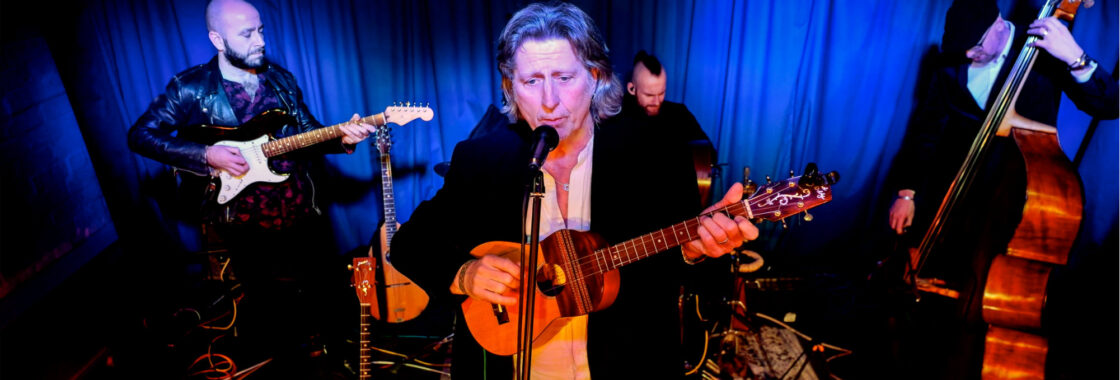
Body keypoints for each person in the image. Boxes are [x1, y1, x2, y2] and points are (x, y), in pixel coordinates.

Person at [391, 2, 758, 379]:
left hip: (627, 364)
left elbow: (681, 274)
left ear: (596, 77)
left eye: (564, 78)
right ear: (510, 88)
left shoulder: (655, 152)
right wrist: (465, 274)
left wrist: (697, 250)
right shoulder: (480, 160)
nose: (549, 101)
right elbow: (407, 245)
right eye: (531, 81)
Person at [127, 0, 376, 373]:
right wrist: (206, 154)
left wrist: (344, 138)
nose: (259, 40)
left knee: (328, 295)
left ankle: (339, 360)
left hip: (302, 208)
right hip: (245, 221)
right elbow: (140, 136)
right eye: (247, 34)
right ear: (216, 38)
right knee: (271, 309)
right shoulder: (190, 88)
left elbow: (308, 134)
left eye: (260, 30)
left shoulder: (282, 79)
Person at [884, 0, 1117, 378]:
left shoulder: (1042, 50)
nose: (969, 56)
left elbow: (1109, 105)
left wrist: (1077, 59)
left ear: (998, 24)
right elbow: (926, 133)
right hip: (953, 193)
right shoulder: (951, 63)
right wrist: (907, 193)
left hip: (1015, 202)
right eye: (963, 51)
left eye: (976, 47)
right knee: (930, 296)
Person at [624, 50, 716, 206]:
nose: (656, 101)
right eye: (649, 95)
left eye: (661, 93)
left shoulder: (679, 113)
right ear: (632, 89)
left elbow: (708, 153)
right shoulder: (617, 118)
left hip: (678, 210)